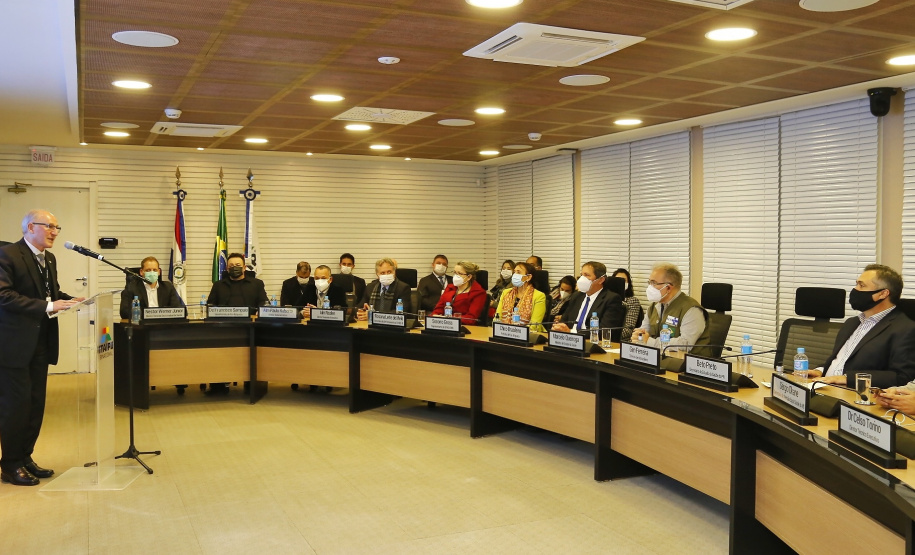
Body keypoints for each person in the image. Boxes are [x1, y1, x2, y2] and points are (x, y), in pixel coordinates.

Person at [0, 210, 82, 486]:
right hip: (14, 346)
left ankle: (25, 457)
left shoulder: (49, 258)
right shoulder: (9, 254)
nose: (55, 232)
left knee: (36, 404)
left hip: (41, 342)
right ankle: (10, 465)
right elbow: (4, 296)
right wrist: (48, 306)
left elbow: (52, 293)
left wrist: (74, 300)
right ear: (30, 227)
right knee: (16, 407)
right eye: (50, 227)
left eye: (57, 227)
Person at [809, 264, 915, 389]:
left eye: (861, 285)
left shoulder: (905, 329)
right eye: (856, 284)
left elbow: (901, 377)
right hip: (823, 388)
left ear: (883, 294)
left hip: (857, 397)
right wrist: (820, 370)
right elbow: (841, 360)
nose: (855, 289)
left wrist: (848, 379)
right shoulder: (852, 322)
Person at [631, 263, 711, 355]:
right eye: (649, 282)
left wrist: (649, 342)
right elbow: (643, 333)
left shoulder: (691, 309)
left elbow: (685, 344)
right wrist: (638, 337)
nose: (650, 287)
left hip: (688, 365)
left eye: (654, 283)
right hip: (659, 360)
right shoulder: (653, 307)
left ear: (668, 288)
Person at [552, 262, 625, 341]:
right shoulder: (576, 296)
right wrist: (559, 328)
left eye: (586, 275)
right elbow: (564, 321)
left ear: (601, 280)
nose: (582, 279)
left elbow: (604, 331)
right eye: (582, 275)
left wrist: (571, 333)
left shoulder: (611, 299)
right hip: (569, 341)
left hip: (592, 344)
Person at [119, 256, 184, 319]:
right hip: (142, 327)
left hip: (163, 326)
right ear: (141, 272)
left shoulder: (168, 287)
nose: (152, 272)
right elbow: (124, 313)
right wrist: (148, 314)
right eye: (148, 270)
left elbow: (181, 310)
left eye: (155, 270)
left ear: (159, 272)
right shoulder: (132, 288)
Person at [431, 261, 487, 325]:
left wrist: (449, 318)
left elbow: (471, 318)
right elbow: (438, 309)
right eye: (455, 273)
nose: (456, 276)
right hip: (444, 325)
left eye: (459, 273)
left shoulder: (478, 293)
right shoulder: (450, 288)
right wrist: (435, 316)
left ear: (469, 277)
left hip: (465, 327)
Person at [495, 261, 546, 329]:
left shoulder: (539, 296)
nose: (515, 275)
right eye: (514, 272)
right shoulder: (506, 293)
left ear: (528, 277)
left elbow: (535, 325)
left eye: (518, 272)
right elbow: (497, 318)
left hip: (528, 335)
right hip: (504, 333)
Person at [612, 268, 644, 342]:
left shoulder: (632, 301)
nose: (620, 283)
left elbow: (627, 330)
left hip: (622, 341)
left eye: (624, 280)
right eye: (617, 280)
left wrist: (607, 334)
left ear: (628, 283)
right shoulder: (606, 299)